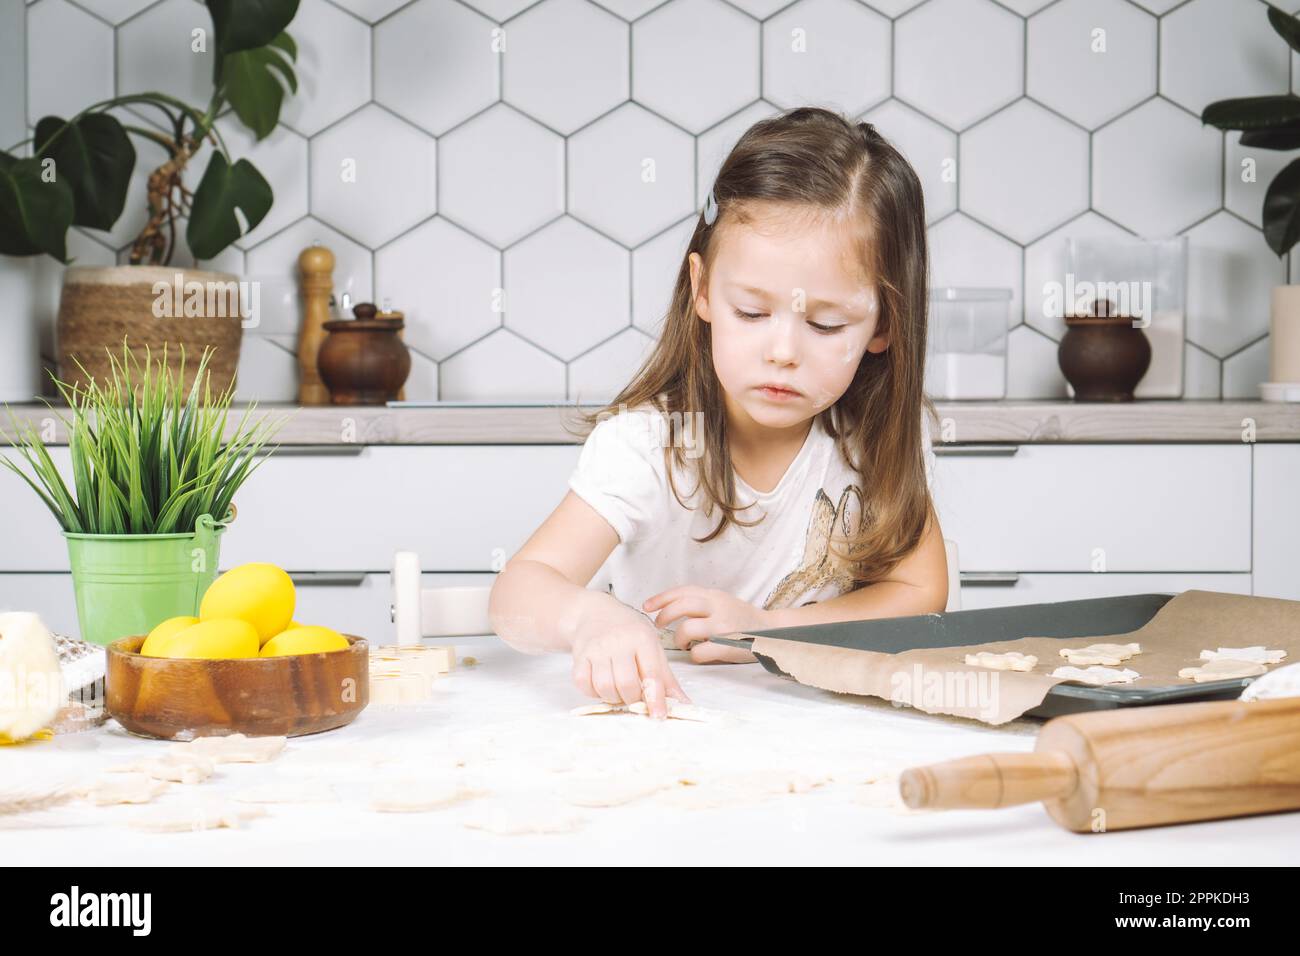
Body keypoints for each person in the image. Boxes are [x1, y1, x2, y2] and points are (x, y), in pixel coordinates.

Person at [489, 107, 947, 718]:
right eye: (752, 313)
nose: (783, 352)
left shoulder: (876, 439)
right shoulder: (650, 445)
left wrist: (766, 627)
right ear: (702, 290)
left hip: (819, 736)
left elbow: (921, 590)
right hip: (666, 727)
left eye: (825, 323)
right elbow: (517, 591)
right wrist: (588, 616)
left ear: (883, 325)